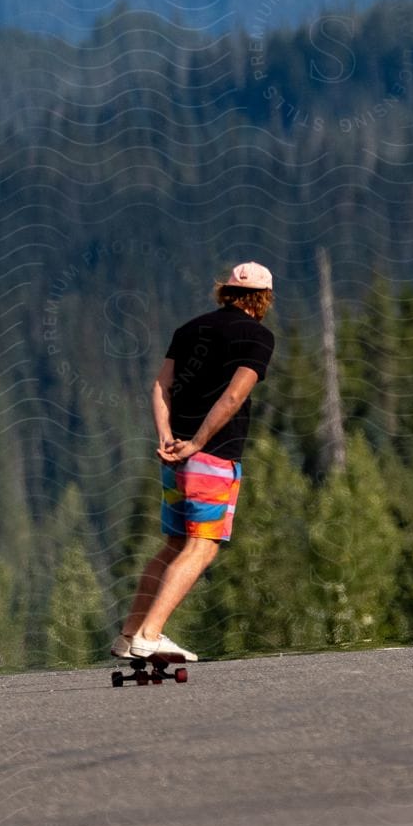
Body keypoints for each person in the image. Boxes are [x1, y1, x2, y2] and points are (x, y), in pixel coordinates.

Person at [113, 261, 275, 662]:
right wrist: (199, 441)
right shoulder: (257, 337)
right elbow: (234, 397)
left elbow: (160, 385)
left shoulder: (189, 329)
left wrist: (168, 438)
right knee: (203, 547)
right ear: (263, 299)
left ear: (227, 292)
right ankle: (151, 634)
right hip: (212, 459)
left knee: (173, 545)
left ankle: (130, 634)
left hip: (177, 459)